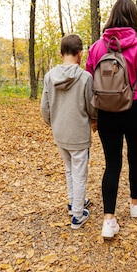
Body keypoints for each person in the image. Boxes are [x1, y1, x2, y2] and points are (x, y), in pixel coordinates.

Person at [85, 0, 137, 239]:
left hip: (107, 112)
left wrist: (93, 116)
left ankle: (108, 220)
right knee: (135, 157)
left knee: (112, 164)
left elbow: (90, 84)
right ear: (134, 18)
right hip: (135, 109)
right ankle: (134, 204)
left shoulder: (97, 47)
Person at [41, 34, 97, 229]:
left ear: (60, 53)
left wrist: (54, 123)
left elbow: (44, 108)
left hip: (60, 133)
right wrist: (94, 119)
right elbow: (91, 107)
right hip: (79, 133)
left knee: (69, 170)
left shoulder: (49, 77)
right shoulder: (85, 77)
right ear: (80, 53)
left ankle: (74, 203)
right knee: (79, 173)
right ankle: (78, 216)